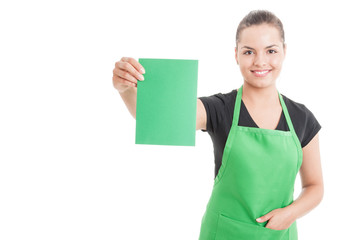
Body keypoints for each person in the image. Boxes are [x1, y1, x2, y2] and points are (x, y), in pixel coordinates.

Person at [112, 10, 323, 240]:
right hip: (223, 233)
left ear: (284, 51)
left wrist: (289, 214)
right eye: (249, 52)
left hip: (280, 235)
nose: (260, 61)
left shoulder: (302, 118)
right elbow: (159, 117)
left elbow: (315, 186)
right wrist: (125, 89)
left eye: (270, 50)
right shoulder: (220, 109)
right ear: (236, 55)